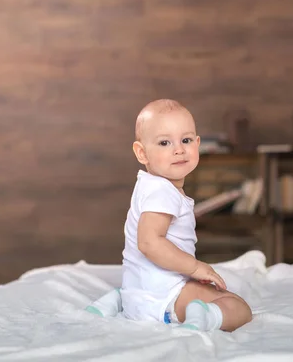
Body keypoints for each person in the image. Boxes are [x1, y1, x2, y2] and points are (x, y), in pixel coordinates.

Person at [86, 99, 252, 332]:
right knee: (238, 307)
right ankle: (202, 316)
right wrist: (194, 268)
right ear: (142, 153)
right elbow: (149, 242)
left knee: (138, 293)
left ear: (197, 144)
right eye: (164, 142)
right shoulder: (163, 192)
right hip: (165, 296)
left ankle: (118, 300)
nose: (178, 149)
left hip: (138, 294)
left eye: (185, 140)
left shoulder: (148, 185)